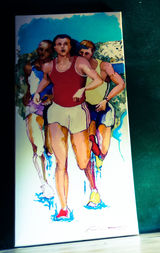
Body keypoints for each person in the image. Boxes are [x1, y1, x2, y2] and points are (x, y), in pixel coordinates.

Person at [33, 34, 103, 219]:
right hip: (57, 112)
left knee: (82, 161)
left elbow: (98, 80)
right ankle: (63, 208)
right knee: (60, 162)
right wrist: (38, 93)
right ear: (54, 47)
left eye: (65, 44)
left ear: (70, 46)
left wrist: (83, 89)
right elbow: (46, 79)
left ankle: (93, 187)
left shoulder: (79, 62)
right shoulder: (49, 65)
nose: (62, 47)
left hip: (78, 112)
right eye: (58, 44)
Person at [79, 40, 125, 207]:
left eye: (87, 52)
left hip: (103, 107)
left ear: (93, 52)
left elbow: (121, 84)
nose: (84, 56)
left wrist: (106, 99)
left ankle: (100, 160)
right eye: (81, 53)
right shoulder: (77, 68)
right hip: (85, 111)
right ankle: (94, 191)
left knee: (103, 150)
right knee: (88, 148)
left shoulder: (104, 66)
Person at [23, 40, 55, 198]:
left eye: (45, 50)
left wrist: (51, 97)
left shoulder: (56, 67)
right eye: (40, 49)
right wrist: (27, 97)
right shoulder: (30, 67)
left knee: (50, 150)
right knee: (38, 148)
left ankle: (52, 179)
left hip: (52, 111)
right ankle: (44, 183)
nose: (42, 52)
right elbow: (29, 87)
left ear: (51, 52)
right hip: (34, 110)